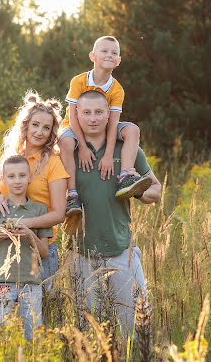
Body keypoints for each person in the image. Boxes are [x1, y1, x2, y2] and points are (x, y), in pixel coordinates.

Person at [65, 90, 161, 339]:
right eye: (86, 112)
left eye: (99, 112)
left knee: (139, 329)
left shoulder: (127, 150)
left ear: (109, 115)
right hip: (81, 256)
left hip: (122, 252)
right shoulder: (67, 152)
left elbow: (156, 191)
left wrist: (135, 191)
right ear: (77, 115)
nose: (93, 118)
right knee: (87, 335)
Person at [0, 92, 69, 283]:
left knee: (38, 310)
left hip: (41, 249)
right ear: (25, 125)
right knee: (3, 310)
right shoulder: (10, 159)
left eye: (46, 128)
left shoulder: (53, 163)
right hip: (5, 249)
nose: (39, 132)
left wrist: (24, 224)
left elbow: (59, 214)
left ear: (52, 132)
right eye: (35, 124)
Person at [59, 35, 151, 216]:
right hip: (75, 126)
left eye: (114, 53)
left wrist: (109, 155)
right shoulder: (78, 81)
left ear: (118, 61)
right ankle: (72, 194)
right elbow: (72, 115)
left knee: (132, 129)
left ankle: (125, 176)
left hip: (104, 127)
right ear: (92, 56)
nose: (109, 55)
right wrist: (83, 147)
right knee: (67, 143)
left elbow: (113, 122)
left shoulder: (117, 90)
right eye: (104, 51)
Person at [0, 155, 53, 340]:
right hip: (2, 283)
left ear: (29, 178)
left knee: (33, 336)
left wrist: (29, 234)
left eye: (22, 175)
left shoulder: (40, 210)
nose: (17, 181)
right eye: (11, 176)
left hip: (31, 283)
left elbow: (44, 252)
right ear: (3, 180)